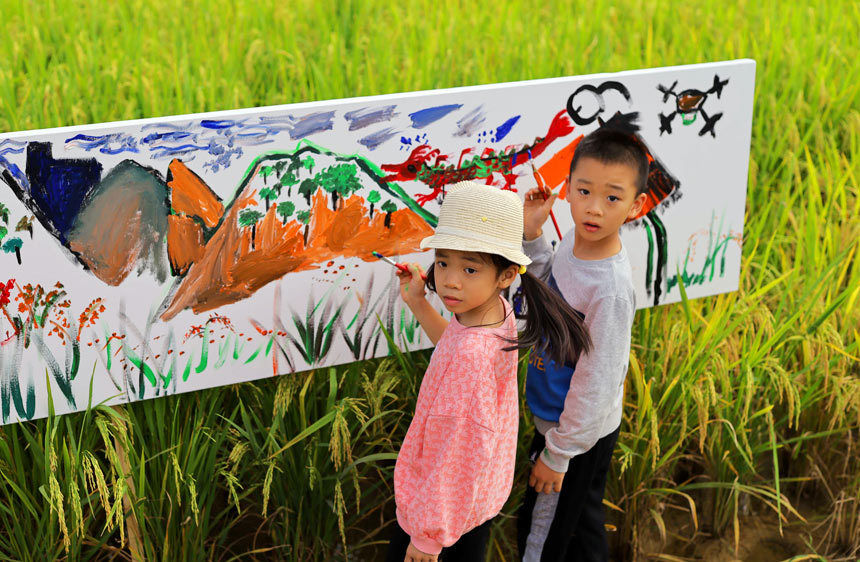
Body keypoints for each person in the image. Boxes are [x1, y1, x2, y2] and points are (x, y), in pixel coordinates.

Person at [386, 180, 590, 562]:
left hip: (439, 519)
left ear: (507, 274)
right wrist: (419, 303)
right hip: (470, 505)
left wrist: (428, 537)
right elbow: (456, 346)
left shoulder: (474, 354)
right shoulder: (495, 311)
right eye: (443, 261)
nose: (450, 280)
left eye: (469, 268)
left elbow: (455, 449)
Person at [517, 128, 649, 561]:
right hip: (569, 427)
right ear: (567, 189)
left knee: (542, 535)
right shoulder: (575, 240)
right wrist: (533, 235)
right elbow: (548, 293)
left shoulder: (609, 290)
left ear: (636, 206)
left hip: (571, 432)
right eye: (584, 190)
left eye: (612, 198)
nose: (593, 207)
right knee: (580, 523)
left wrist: (558, 454)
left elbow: (599, 379)